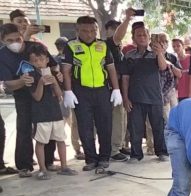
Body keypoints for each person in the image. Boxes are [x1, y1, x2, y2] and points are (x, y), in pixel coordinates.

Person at [0, 24, 60, 177]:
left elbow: (53, 65)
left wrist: (57, 77)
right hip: (22, 96)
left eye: (18, 38)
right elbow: (7, 83)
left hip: (45, 95)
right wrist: (21, 82)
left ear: (22, 34)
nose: (15, 42)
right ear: (3, 41)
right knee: (24, 129)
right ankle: (24, 166)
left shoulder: (35, 46)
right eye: (9, 40)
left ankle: (48, 161)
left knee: (47, 126)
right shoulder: (2, 56)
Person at [62, 16, 121, 171]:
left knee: (105, 126)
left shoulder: (103, 45)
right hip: (81, 91)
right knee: (85, 127)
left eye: (93, 30)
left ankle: (104, 158)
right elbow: (66, 70)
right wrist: (68, 91)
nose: (89, 34)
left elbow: (111, 68)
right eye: (85, 31)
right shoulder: (71, 46)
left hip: (102, 90)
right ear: (77, 30)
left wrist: (116, 89)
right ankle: (90, 159)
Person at [26, 43, 77, 179]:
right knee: (41, 142)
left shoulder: (54, 73)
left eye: (42, 59)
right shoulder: (30, 75)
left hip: (56, 113)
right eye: (35, 60)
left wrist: (54, 82)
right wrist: (41, 83)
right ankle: (42, 169)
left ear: (47, 59)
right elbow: (36, 97)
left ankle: (64, 166)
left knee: (60, 139)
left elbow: (59, 95)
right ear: (30, 62)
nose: (39, 63)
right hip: (40, 115)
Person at [122, 22, 171, 163]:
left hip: (155, 97)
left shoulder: (156, 53)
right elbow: (125, 78)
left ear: (149, 37)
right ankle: (136, 154)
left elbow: (162, 68)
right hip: (135, 98)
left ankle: (162, 152)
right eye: (139, 35)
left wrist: (159, 53)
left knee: (158, 126)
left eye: (145, 34)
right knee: (135, 127)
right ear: (134, 38)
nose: (142, 37)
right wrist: (125, 98)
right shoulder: (129, 55)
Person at [105, 8, 134, 163]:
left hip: (122, 88)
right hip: (111, 88)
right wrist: (128, 19)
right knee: (116, 119)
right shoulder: (107, 44)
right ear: (107, 31)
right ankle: (114, 149)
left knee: (122, 118)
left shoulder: (119, 49)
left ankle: (120, 145)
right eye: (114, 29)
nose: (117, 32)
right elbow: (118, 36)